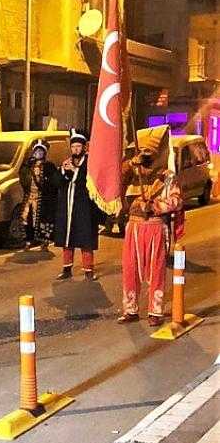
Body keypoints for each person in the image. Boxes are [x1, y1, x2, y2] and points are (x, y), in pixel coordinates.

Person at [118, 125, 183, 326]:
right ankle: (131, 309)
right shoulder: (132, 171)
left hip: (156, 226)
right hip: (134, 226)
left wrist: (155, 205)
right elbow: (116, 180)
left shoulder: (167, 176)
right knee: (130, 268)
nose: (145, 156)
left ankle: (155, 311)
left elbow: (177, 201)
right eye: (142, 152)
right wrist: (131, 164)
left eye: (149, 152)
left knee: (156, 270)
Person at [53, 128, 102, 281]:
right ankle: (67, 269)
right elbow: (57, 183)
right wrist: (62, 171)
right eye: (73, 146)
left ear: (84, 147)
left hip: (84, 208)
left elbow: (88, 182)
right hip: (67, 207)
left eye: (78, 146)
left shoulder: (89, 162)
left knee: (85, 238)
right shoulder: (66, 162)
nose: (75, 149)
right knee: (67, 238)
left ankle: (88, 270)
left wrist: (75, 170)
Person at [19, 140, 58, 250]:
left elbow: (54, 182)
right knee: (27, 219)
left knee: (43, 220)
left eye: (41, 151)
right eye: (36, 151)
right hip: (29, 197)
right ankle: (28, 241)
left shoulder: (49, 166)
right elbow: (23, 179)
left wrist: (43, 180)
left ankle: (44, 242)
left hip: (43, 199)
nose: (38, 153)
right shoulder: (27, 165)